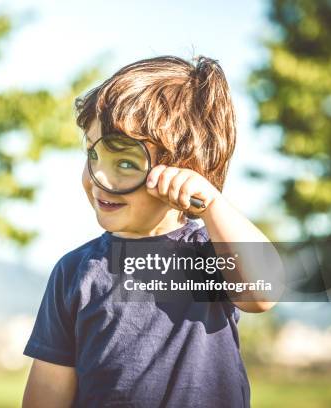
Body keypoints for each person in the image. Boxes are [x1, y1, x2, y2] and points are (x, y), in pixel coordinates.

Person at [22, 55, 277, 408]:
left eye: (126, 163)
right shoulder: (74, 271)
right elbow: (48, 389)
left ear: (184, 172)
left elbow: (263, 294)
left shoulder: (211, 253)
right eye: (93, 156)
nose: (102, 180)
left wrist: (213, 204)